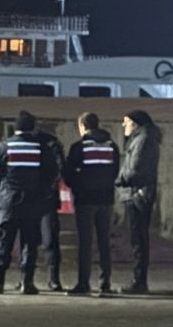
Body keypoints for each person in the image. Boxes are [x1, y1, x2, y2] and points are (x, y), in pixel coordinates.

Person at [0, 110, 58, 295]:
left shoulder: (4, 147)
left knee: (3, 241)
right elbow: (51, 173)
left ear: (15, 128)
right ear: (32, 128)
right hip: (32, 202)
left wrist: (4, 177)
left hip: (8, 201)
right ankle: (27, 283)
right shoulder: (40, 148)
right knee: (29, 243)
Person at [63, 112, 120, 296]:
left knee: (86, 243)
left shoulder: (79, 147)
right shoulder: (112, 146)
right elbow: (115, 171)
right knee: (104, 242)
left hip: (85, 200)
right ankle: (105, 284)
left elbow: (68, 172)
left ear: (83, 126)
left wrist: (78, 188)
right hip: (106, 199)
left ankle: (83, 284)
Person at [116, 110, 160, 294]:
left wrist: (119, 179)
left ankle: (139, 282)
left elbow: (135, 169)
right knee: (138, 238)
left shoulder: (142, 140)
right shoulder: (144, 138)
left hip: (137, 195)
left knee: (138, 239)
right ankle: (139, 279)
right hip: (139, 194)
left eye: (126, 122)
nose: (123, 125)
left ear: (135, 123)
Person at [35, 128, 65, 292]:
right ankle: (54, 280)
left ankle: (26, 279)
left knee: (29, 240)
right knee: (50, 241)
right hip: (48, 198)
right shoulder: (53, 144)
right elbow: (61, 170)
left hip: (31, 199)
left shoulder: (26, 143)